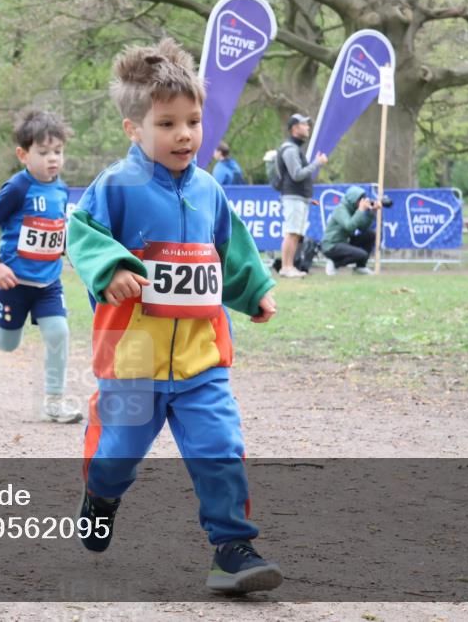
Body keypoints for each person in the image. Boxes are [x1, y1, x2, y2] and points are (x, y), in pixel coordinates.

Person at [66, 39, 281, 594]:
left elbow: (228, 250)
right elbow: (81, 233)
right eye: (167, 123)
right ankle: (101, 493)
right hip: (132, 362)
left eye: (193, 120)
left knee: (220, 448)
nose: (184, 134)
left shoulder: (210, 190)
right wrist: (110, 266)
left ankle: (231, 547)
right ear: (133, 128)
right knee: (116, 457)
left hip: (199, 360)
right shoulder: (117, 185)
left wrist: (253, 288)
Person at [0, 109, 81, 423]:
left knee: (58, 332)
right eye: (44, 152)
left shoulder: (62, 188)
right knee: (9, 343)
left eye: (58, 152)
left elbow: (55, 228)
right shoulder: (17, 188)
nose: (53, 159)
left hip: (49, 283)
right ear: (24, 155)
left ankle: (54, 401)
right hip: (13, 282)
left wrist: (66, 249)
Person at [278, 113, 327, 278]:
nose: (307, 127)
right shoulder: (290, 149)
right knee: (291, 232)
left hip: (299, 197)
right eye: (304, 124)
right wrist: (317, 163)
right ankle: (286, 267)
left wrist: (307, 197)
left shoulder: (295, 148)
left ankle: (289, 266)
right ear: (295, 128)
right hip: (293, 197)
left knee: (296, 233)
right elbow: (297, 175)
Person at [321, 186, 379, 275]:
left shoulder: (354, 209)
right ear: (354, 200)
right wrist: (360, 210)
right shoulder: (341, 209)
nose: (363, 203)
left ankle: (360, 267)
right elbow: (349, 226)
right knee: (362, 254)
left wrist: (372, 213)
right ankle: (334, 263)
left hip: (344, 242)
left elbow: (363, 227)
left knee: (370, 235)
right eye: (361, 200)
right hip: (331, 245)